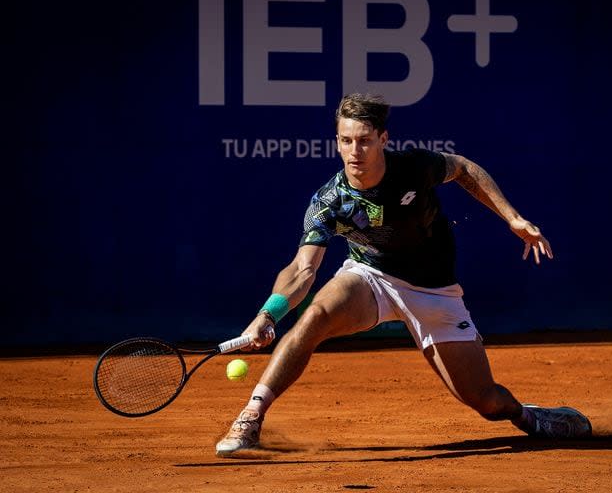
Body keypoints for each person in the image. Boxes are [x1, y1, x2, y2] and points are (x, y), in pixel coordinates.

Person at [215, 94, 591, 457]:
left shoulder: (414, 167)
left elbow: (463, 168)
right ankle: (251, 416)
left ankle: (529, 416)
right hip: (371, 277)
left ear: (383, 139)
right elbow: (302, 268)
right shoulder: (328, 201)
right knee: (315, 315)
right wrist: (268, 314)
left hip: (435, 293)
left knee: (486, 402)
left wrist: (512, 218)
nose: (354, 151)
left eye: (364, 141)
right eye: (346, 141)